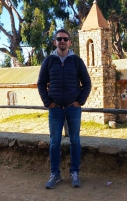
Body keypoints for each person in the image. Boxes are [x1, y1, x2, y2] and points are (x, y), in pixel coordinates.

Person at [37, 28, 91, 189]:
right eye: (59, 39)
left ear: (69, 42)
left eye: (65, 39)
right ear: (55, 42)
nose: (62, 41)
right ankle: (55, 174)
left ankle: (74, 172)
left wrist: (80, 101)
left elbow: (86, 83)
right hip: (55, 109)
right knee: (54, 142)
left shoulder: (76, 61)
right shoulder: (48, 61)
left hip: (73, 108)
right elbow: (41, 83)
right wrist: (48, 102)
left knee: (75, 140)